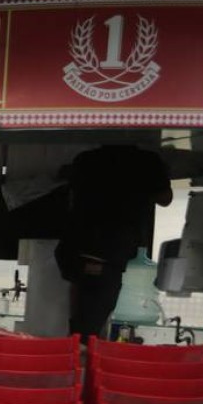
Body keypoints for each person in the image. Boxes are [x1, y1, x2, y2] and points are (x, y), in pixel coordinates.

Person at [56, 145, 172, 341]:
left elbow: (67, 184)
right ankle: (82, 352)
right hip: (108, 248)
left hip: (76, 245)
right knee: (92, 320)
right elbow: (165, 198)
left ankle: (78, 347)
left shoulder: (86, 157)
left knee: (83, 315)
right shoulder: (147, 160)